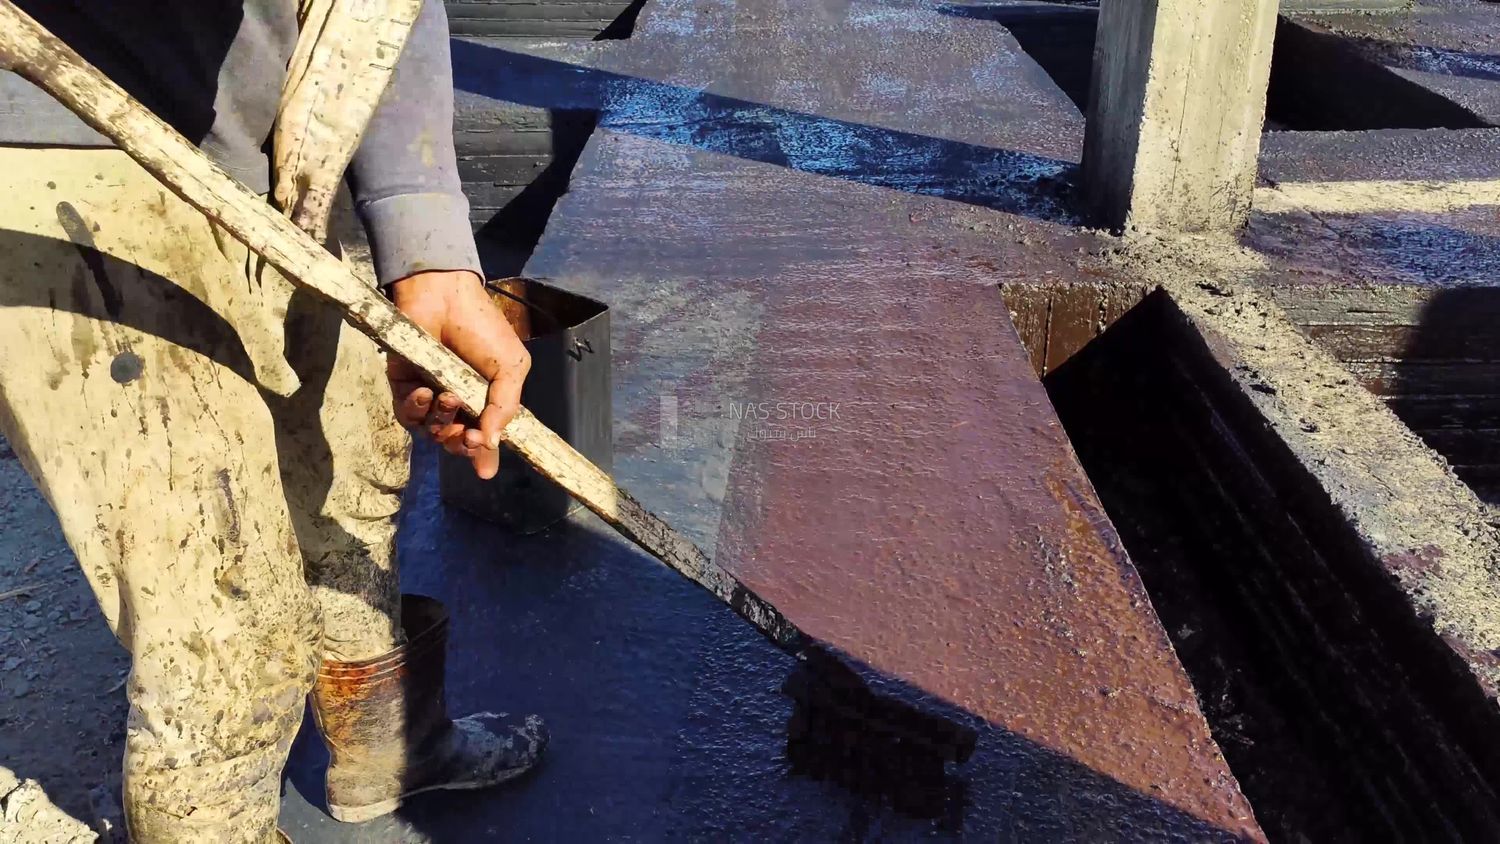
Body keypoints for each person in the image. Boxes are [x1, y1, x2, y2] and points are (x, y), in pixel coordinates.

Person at [0, 1, 544, 841]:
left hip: (273, 155)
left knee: (353, 479)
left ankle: (389, 750)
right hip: (53, 143)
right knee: (227, 628)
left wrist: (424, 234)